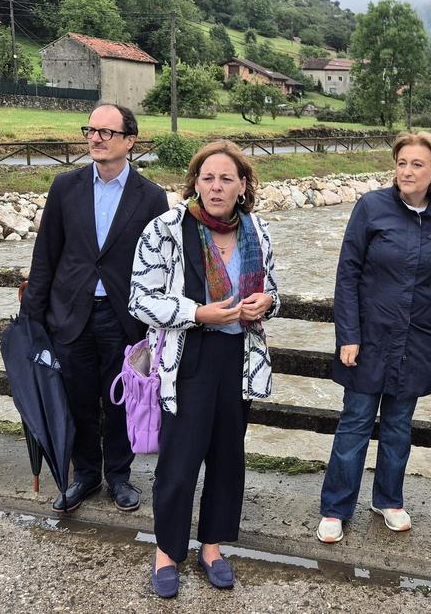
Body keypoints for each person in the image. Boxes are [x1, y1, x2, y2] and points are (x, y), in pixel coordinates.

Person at [128, 140, 279, 596]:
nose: (216, 186)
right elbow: (140, 298)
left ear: (242, 185)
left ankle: (211, 547)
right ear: (194, 182)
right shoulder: (167, 229)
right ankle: (166, 552)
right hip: (187, 359)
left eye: (226, 178)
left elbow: (274, 291)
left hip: (238, 360)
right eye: (207, 177)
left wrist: (267, 303)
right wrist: (197, 313)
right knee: (179, 461)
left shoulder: (258, 230)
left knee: (228, 459)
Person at [21, 103, 169, 514]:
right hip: (70, 314)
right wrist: (33, 318)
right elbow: (46, 254)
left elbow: (160, 264)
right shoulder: (65, 187)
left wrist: (156, 321)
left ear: (130, 140)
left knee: (121, 399)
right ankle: (84, 474)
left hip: (124, 318)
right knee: (77, 397)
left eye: (107, 132)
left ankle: (120, 477)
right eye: (91, 130)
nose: (96, 138)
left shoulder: (152, 197)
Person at [316, 131, 431, 544]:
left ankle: (388, 500)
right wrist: (348, 334)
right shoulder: (371, 207)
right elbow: (347, 274)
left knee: (398, 425)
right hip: (369, 337)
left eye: (417, 164)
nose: (407, 171)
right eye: (402, 163)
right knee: (355, 422)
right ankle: (335, 508)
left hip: (416, 340)